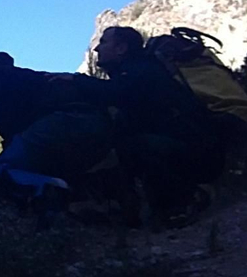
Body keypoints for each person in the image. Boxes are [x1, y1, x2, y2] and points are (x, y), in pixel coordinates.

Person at [87, 25, 222, 216]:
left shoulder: (143, 71)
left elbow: (118, 92)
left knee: (136, 146)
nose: (97, 49)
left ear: (121, 48)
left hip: (198, 152)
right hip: (191, 148)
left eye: (103, 42)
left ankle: (185, 201)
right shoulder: (135, 72)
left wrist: (76, 83)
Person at [0, 53, 112, 191]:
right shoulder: (30, 79)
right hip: (100, 126)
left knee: (1, 170)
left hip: (57, 124)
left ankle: (51, 189)